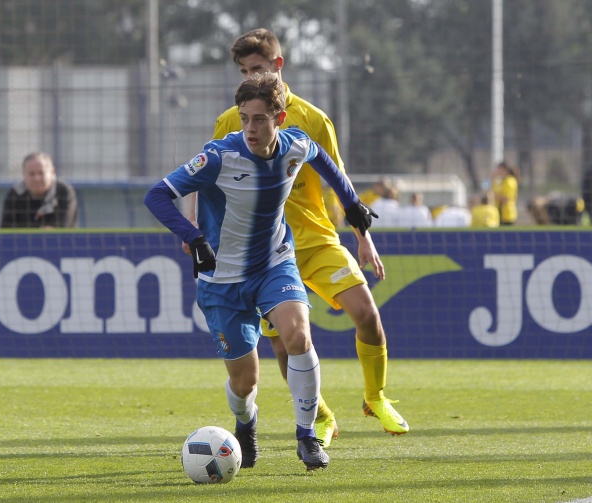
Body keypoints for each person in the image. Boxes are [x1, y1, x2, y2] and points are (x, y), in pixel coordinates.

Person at [145, 72, 381, 470]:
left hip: (275, 264)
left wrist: (352, 203)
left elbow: (322, 158)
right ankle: (245, 424)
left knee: (298, 335)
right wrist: (194, 237)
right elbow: (158, 195)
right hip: (221, 280)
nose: (250, 128)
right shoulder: (219, 156)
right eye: (244, 118)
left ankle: (307, 437)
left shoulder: (295, 145)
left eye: (259, 119)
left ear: (280, 118)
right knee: (245, 381)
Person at [184, 28, 410, 445]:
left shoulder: (313, 120)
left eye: (257, 68)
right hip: (259, 255)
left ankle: (375, 396)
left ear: (277, 66)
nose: (249, 77)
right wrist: (197, 228)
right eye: (244, 71)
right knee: (288, 348)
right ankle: (321, 418)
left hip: (316, 238)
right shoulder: (231, 121)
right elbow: (204, 177)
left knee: (367, 314)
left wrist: (364, 238)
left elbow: (340, 182)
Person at [0, 152, 78, 228]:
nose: (37, 178)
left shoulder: (64, 192)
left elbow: (62, 228)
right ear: (23, 174)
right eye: (31, 174)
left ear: (52, 173)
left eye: (41, 173)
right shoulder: (15, 194)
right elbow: (6, 230)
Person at [491, 161, 519, 226]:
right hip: (499, 213)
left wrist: (494, 197)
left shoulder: (510, 181)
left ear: (504, 169)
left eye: (499, 169)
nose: (497, 171)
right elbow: (493, 191)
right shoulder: (501, 181)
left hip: (507, 214)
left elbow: (507, 198)